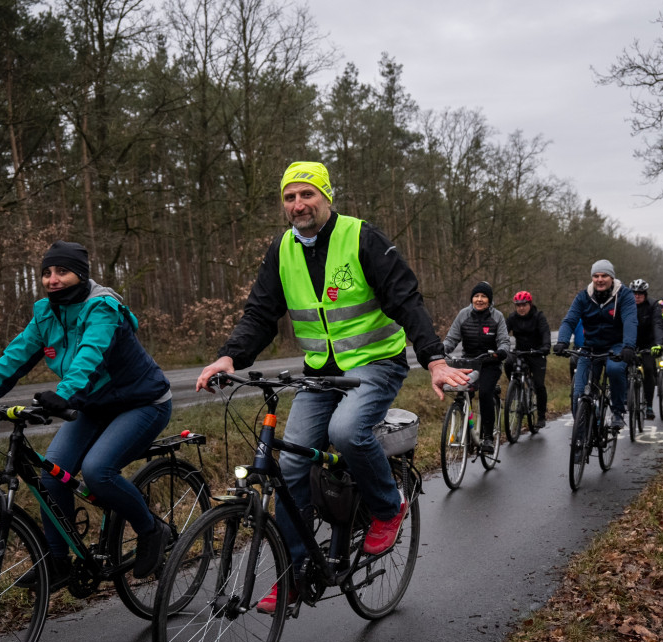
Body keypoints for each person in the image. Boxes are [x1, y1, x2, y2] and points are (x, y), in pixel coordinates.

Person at [195, 161, 470, 614]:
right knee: (291, 466)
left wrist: (434, 358)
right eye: (290, 197)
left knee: (345, 432)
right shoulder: (282, 250)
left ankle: (387, 507)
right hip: (320, 373)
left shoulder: (361, 237)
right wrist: (230, 356)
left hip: (376, 364)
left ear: (326, 197)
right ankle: (295, 575)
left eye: (307, 195)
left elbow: (405, 298)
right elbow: (261, 313)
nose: (298, 204)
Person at [0, 241, 174, 589]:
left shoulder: (103, 308)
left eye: (61, 272)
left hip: (141, 403)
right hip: (91, 406)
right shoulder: (46, 314)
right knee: (51, 474)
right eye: (46, 273)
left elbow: (89, 356)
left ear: (80, 275)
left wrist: (63, 395)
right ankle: (58, 562)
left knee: (99, 471)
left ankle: (150, 529)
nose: (52, 280)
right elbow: (14, 358)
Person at [553, 259, 637, 431]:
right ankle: (582, 438)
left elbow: (630, 321)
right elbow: (569, 320)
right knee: (579, 394)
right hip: (590, 347)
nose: (600, 279)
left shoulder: (624, 295)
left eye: (604, 276)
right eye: (596, 276)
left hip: (616, 345)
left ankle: (618, 412)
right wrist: (562, 341)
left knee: (614, 369)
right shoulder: (584, 296)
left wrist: (628, 346)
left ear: (611, 278)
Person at [443, 281, 511, 453]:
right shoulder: (463, 315)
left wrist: (501, 351)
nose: (479, 299)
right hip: (469, 362)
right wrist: (440, 351)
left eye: (483, 296)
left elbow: (504, 341)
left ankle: (488, 437)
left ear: (490, 300)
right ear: (472, 298)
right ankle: (466, 429)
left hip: (490, 363)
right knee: (462, 391)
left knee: (486, 393)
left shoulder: (497, 317)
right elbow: (451, 339)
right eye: (476, 296)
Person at [504, 290, 551, 428]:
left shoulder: (538, 317)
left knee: (539, 384)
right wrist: (499, 345)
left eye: (524, 305)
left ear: (529, 304)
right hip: (520, 352)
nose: (521, 308)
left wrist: (546, 346)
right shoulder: (512, 318)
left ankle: (541, 416)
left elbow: (545, 332)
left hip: (537, 353)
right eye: (518, 305)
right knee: (508, 363)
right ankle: (517, 389)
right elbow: (503, 332)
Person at [629, 279, 663, 420]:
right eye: (634, 293)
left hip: (648, 343)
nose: (637, 296)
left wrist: (658, 344)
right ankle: (627, 397)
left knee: (649, 369)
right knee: (622, 366)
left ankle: (649, 406)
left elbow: (657, 324)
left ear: (645, 294)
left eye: (640, 294)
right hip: (630, 341)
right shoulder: (626, 304)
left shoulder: (653, 305)